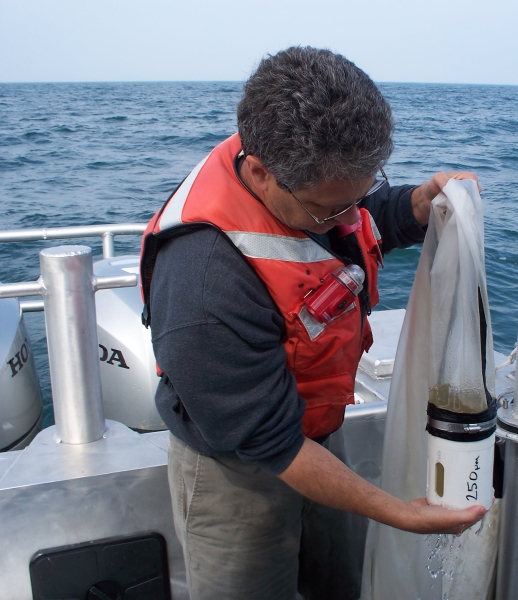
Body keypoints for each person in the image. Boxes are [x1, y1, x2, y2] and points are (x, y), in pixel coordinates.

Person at [139, 47, 486, 600]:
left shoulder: (310, 183)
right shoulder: (204, 282)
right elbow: (272, 443)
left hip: (316, 432)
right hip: (239, 467)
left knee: (339, 584)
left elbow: (353, 223)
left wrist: (416, 206)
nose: (352, 217)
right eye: (332, 208)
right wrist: (398, 512)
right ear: (260, 172)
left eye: (361, 195)